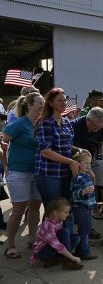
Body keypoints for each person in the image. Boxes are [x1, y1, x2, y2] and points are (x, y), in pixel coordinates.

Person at [2, 92, 44, 258]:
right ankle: (10, 244)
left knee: (35, 206)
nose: (42, 106)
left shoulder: (39, 125)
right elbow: (3, 141)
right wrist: (6, 165)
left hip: (36, 172)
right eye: (39, 103)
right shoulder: (20, 123)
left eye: (43, 103)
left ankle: (32, 239)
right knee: (19, 209)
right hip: (18, 172)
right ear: (30, 105)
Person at [35, 88, 79, 224]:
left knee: (64, 210)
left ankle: (61, 241)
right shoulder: (45, 123)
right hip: (49, 174)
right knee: (53, 211)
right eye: (60, 100)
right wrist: (70, 161)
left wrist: (80, 150)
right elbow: (45, 151)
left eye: (65, 100)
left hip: (65, 173)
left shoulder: (66, 123)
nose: (64, 103)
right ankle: (46, 242)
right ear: (50, 103)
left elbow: (66, 146)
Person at [71, 107, 103, 221]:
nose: (97, 129)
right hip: (75, 160)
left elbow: (100, 141)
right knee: (79, 185)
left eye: (100, 126)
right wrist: (82, 152)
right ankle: (76, 212)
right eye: (96, 126)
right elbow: (69, 148)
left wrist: (101, 148)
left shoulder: (99, 127)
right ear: (88, 120)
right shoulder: (74, 126)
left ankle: (93, 207)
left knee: (94, 178)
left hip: (90, 158)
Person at [30, 197, 83, 270]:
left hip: (52, 247)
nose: (68, 214)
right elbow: (57, 245)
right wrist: (72, 257)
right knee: (65, 232)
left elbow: (61, 241)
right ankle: (67, 261)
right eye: (66, 212)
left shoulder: (59, 220)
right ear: (55, 212)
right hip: (42, 252)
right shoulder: (48, 225)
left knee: (76, 238)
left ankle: (55, 259)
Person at [70, 150, 98, 260]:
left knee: (85, 229)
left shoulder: (85, 176)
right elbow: (73, 194)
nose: (88, 165)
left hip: (87, 208)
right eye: (85, 163)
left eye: (89, 163)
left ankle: (81, 250)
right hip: (81, 208)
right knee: (85, 230)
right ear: (78, 163)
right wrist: (83, 192)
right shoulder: (77, 178)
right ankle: (84, 252)